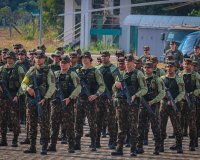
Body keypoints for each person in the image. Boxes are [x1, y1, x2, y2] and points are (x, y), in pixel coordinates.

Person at [111, 54, 147, 157]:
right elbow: (114, 89)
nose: (127, 62)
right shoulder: (120, 74)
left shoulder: (138, 73)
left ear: (133, 62)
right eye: (125, 61)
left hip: (132, 103)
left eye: (129, 61)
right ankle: (119, 149)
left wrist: (135, 95)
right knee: (121, 127)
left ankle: (133, 149)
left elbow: (144, 89)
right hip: (121, 103)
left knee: (133, 127)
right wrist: (116, 85)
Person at [22, 50, 56, 155]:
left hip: (43, 102)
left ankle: (44, 147)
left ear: (44, 59)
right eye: (36, 57)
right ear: (34, 59)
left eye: (40, 57)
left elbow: (52, 86)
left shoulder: (48, 71)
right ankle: (32, 146)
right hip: (32, 101)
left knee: (44, 124)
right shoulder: (31, 70)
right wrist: (28, 89)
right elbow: (23, 83)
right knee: (32, 124)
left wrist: (45, 98)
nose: (38, 59)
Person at [48, 55, 81, 153]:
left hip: (67, 103)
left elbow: (78, 87)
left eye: (65, 63)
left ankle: (71, 146)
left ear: (69, 64)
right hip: (56, 103)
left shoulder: (73, 74)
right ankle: (52, 145)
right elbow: (50, 86)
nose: (63, 64)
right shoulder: (55, 74)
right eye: (61, 62)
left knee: (69, 125)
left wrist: (70, 98)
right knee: (54, 124)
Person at [74, 51, 105, 151]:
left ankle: (93, 143)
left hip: (90, 100)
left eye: (86, 57)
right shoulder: (78, 71)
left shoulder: (95, 71)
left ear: (90, 59)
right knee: (78, 122)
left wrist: (96, 95)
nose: (84, 59)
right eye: (83, 57)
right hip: (80, 99)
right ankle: (77, 143)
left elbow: (102, 86)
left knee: (92, 123)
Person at [137, 61, 165, 155]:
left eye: (149, 67)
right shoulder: (141, 78)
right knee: (141, 126)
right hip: (142, 105)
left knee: (155, 127)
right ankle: (139, 147)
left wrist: (153, 101)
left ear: (152, 69)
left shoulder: (157, 79)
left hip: (153, 106)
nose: (147, 69)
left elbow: (162, 93)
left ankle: (157, 147)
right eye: (145, 67)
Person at [0, 51, 25, 147]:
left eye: (11, 59)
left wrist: (18, 95)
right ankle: (3, 139)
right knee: (2, 119)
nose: (9, 60)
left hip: (14, 98)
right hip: (3, 98)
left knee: (14, 119)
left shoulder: (19, 69)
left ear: (14, 60)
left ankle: (15, 139)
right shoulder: (2, 69)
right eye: (8, 58)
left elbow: (24, 84)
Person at [160, 60, 184, 154]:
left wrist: (175, 100)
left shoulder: (179, 79)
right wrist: (163, 95)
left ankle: (179, 146)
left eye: (171, 66)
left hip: (175, 105)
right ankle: (160, 145)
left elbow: (182, 93)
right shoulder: (161, 79)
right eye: (167, 66)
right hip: (164, 104)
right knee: (162, 125)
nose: (169, 68)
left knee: (177, 126)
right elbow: (159, 91)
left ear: (175, 68)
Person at [96, 51, 118, 149]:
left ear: (109, 57)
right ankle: (96, 142)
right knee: (98, 120)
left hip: (110, 98)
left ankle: (112, 142)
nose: (104, 57)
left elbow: (118, 82)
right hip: (99, 98)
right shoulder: (97, 68)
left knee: (111, 121)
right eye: (102, 56)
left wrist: (114, 95)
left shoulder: (113, 68)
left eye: (106, 56)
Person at [179, 58, 200, 151]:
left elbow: (198, 88)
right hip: (181, 101)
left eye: (188, 64)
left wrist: (192, 93)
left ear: (191, 65)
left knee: (192, 123)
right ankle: (178, 143)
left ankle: (192, 142)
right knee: (180, 123)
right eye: (185, 64)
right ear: (183, 65)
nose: (186, 65)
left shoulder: (195, 75)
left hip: (191, 101)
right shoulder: (180, 74)